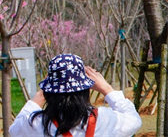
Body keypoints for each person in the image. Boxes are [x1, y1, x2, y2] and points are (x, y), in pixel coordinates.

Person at [10, 54, 141, 137]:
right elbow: (134, 121)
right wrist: (107, 89)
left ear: (49, 92)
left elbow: (14, 130)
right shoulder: (105, 119)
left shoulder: (36, 124)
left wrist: (39, 97)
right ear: (85, 90)